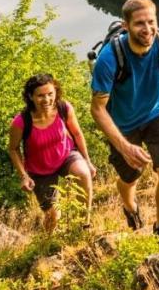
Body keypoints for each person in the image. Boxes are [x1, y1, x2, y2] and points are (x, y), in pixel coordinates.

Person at [91, 0, 159, 237]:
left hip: (157, 112)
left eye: (151, 21)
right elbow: (97, 109)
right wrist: (123, 147)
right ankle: (129, 206)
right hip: (123, 124)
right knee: (130, 177)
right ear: (126, 26)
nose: (148, 29)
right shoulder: (110, 58)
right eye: (139, 23)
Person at [8, 73, 96, 233]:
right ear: (30, 97)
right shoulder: (21, 122)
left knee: (84, 174)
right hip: (40, 170)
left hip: (65, 155)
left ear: (56, 92)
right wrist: (24, 176)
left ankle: (84, 225)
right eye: (40, 95)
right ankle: (48, 242)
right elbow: (13, 149)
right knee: (53, 215)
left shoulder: (64, 108)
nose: (47, 99)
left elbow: (76, 133)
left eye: (50, 94)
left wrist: (88, 161)